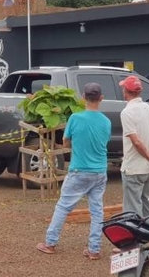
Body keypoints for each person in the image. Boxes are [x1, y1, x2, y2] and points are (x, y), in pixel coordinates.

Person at [37, 83, 111, 260]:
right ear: (101, 98)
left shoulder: (75, 118)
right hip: (100, 171)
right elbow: (105, 142)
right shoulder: (106, 121)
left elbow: (66, 142)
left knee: (63, 207)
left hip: (79, 169)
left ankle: (50, 243)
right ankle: (94, 249)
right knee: (97, 210)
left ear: (83, 97)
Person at [119, 75, 149, 217]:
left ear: (125, 91)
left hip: (133, 167)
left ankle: (135, 238)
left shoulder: (127, 112)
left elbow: (136, 141)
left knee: (132, 209)